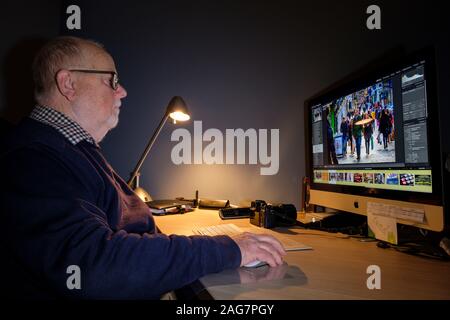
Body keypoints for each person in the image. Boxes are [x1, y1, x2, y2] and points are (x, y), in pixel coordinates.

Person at [0, 36, 285, 299]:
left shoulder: (73, 150)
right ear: (68, 84)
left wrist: (218, 247)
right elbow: (94, 266)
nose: (122, 91)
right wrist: (226, 249)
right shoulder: (31, 159)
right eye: (112, 80)